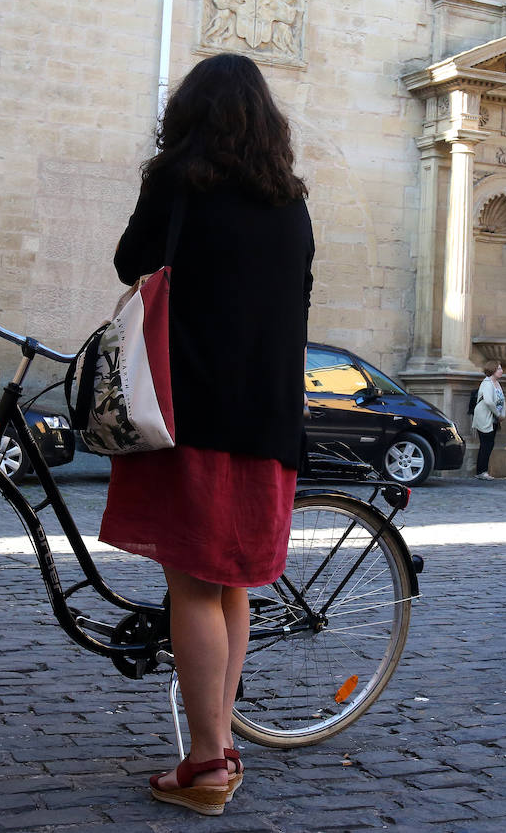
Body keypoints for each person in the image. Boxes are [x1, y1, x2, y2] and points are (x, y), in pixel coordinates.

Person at [99, 53, 314, 816]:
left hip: (188, 411)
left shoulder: (179, 182)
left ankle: (205, 761)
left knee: (191, 582)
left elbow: (129, 260)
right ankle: (218, 744)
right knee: (231, 583)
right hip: (268, 420)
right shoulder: (293, 205)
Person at [473, 361, 506, 479]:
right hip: (485, 418)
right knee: (486, 444)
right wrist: (498, 414)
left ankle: (483, 470)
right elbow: (488, 401)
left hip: (494, 419)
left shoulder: (497, 383)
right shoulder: (487, 383)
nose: (501, 371)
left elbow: (502, 400)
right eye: (499, 369)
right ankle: (481, 471)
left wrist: (502, 415)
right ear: (492, 370)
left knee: (489, 444)